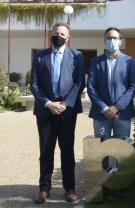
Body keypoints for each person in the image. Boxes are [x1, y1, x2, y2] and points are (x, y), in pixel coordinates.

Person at [30, 22, 85, 204]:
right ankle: (44, 189)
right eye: (56, 33)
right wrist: (48, 103)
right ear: (50, 34)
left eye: (62, 33)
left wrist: (65, 104)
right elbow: (34, 84)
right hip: (45, 112)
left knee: (67, 150)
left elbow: (79, 82)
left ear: (68, 37)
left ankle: (69, 188)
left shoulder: (77, 56)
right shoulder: (40, 56)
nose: (58, 35)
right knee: (46, 151)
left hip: (67, 112)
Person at [87, 27, 135, 198]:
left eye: (115, 38)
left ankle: (120, 183)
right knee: (102, 148)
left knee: (121, 147)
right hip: (101, 114)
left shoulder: (129, 61)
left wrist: (117, 107)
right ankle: (105, 183)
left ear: (120, 41)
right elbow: (91, 87)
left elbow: (133, 86)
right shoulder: (96, 61)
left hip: (122, 113)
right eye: (109, 37)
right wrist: (104, 108)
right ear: (104, 40)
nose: (112, 40)